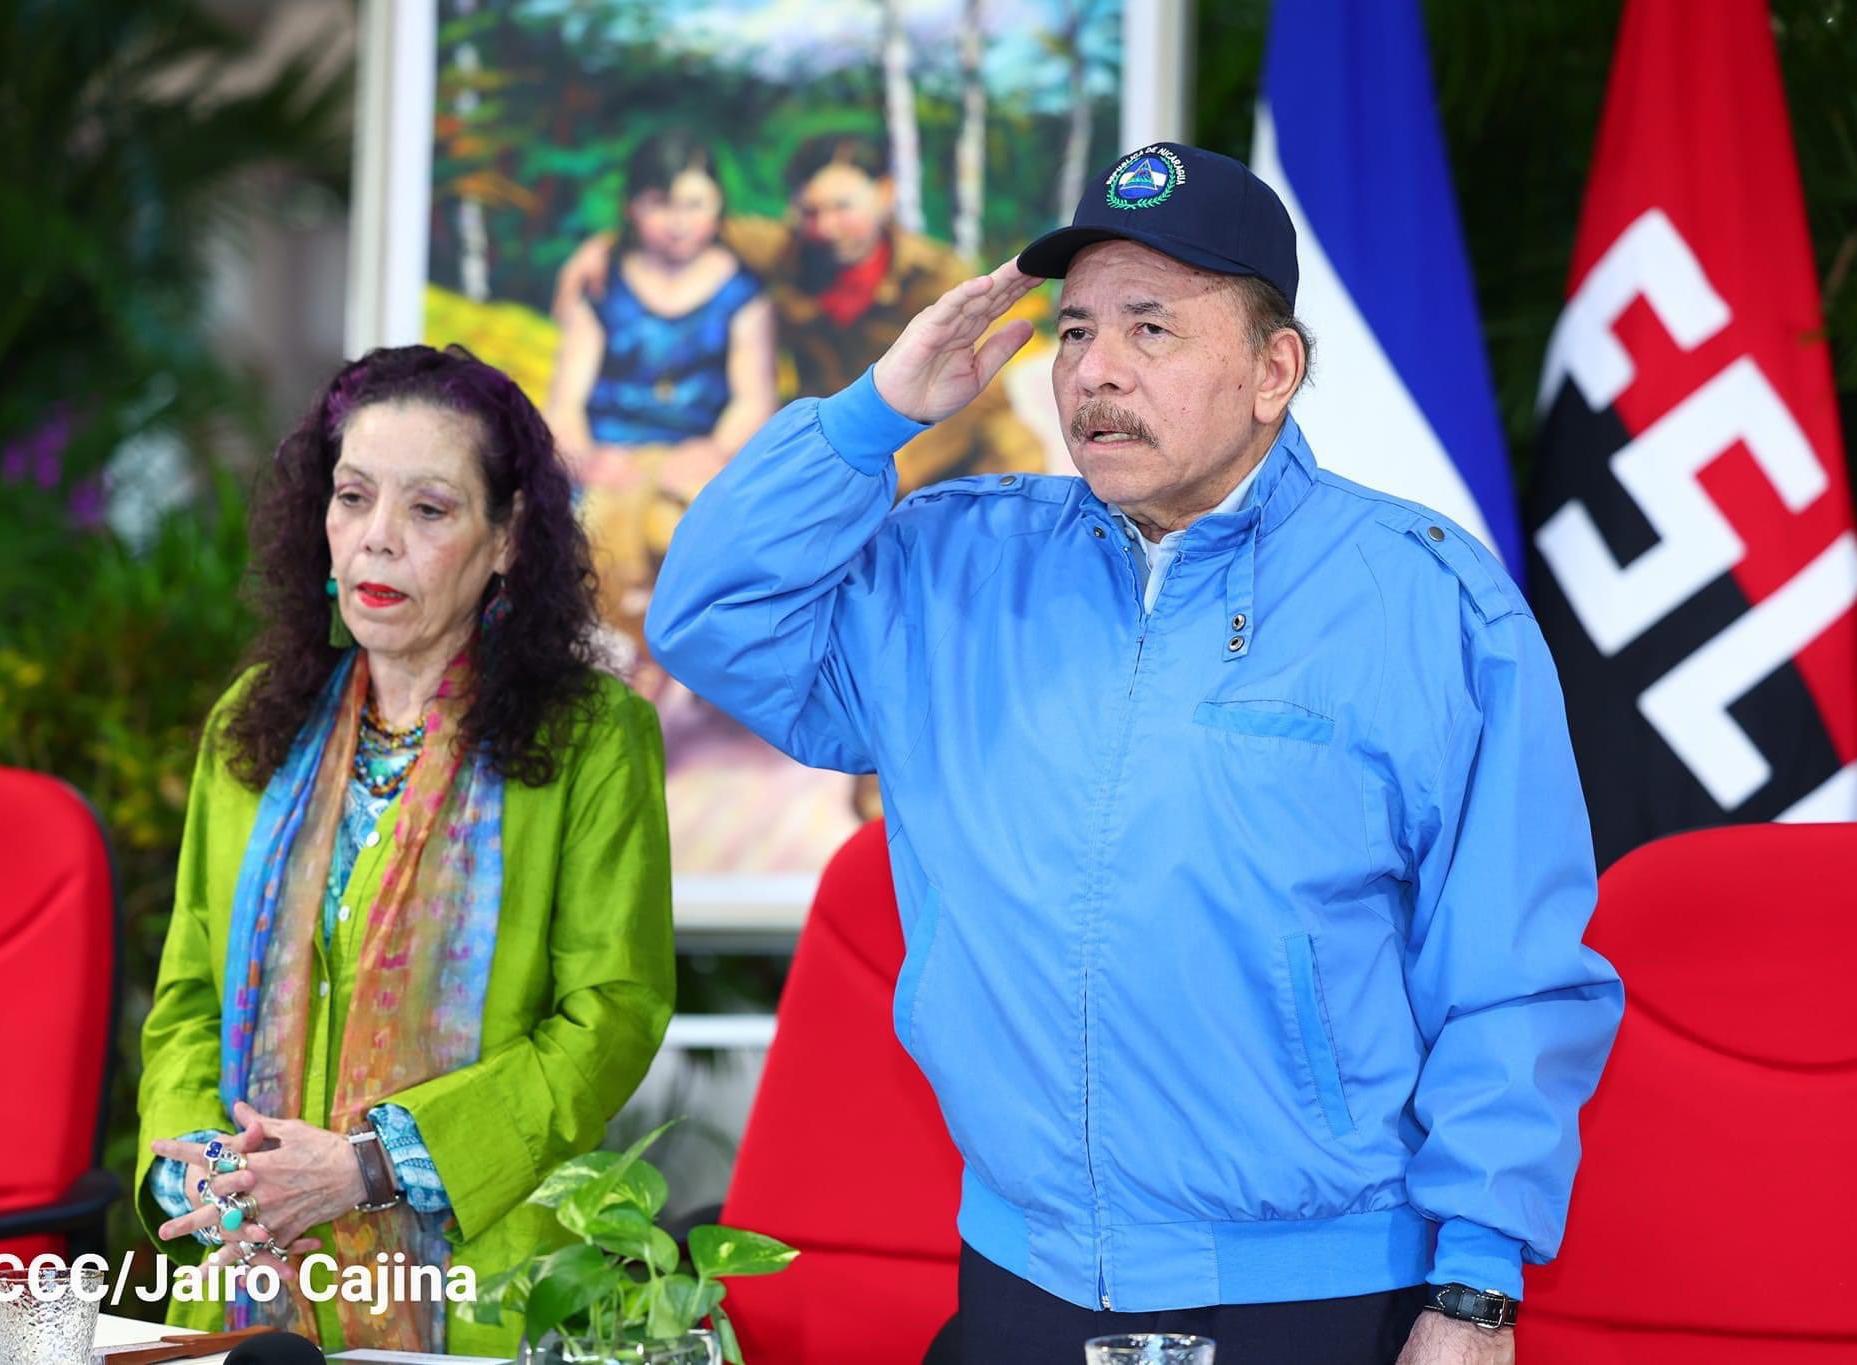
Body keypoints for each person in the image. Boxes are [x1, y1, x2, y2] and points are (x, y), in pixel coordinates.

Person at [647, 143, 1624, 1365]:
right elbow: (708, 617)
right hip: (1023, 1283)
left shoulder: (1426, 603)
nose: (1095, 374)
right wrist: (871, 414)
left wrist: (1474, 1288)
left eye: (1150, 330)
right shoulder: (953, 571)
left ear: (1274, 370)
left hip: (1318, 1300)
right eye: (1071, 332)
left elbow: (1513, 971)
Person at [135, 344, 674, 1356]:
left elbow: (612, 1015)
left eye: (429, 510)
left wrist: (371, 1164)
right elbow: (189, 1001)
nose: (376, 541)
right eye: (351, 498)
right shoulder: (253, 725)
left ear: (507, 538)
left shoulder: (592, 734)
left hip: (483, 1279)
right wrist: (194, 1165)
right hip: (247, 1282)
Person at [561, 132, 1045, 495]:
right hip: (843, 444)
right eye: (811, 211)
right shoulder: (788, 252)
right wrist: (605, 247)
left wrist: (883, 472)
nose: (827, 227)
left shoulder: (938, 274)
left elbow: (980, 399)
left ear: (885, 195)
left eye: (843, 206)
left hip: (940, 443)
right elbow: (693, 224)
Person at [543, 131, 777, 686]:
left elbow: (753, 398)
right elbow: (566, 401)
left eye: (693, 204)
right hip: (612, 453)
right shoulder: (601, 285)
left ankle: (679, 668)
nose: (677, 221)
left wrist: (715, 450)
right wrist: (585, 455)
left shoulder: (742, 292)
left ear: (718, 206)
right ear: (633, 206)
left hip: (699, 452)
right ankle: (616, 663)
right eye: (660, 204)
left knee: (687, 527)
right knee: (591, 534)